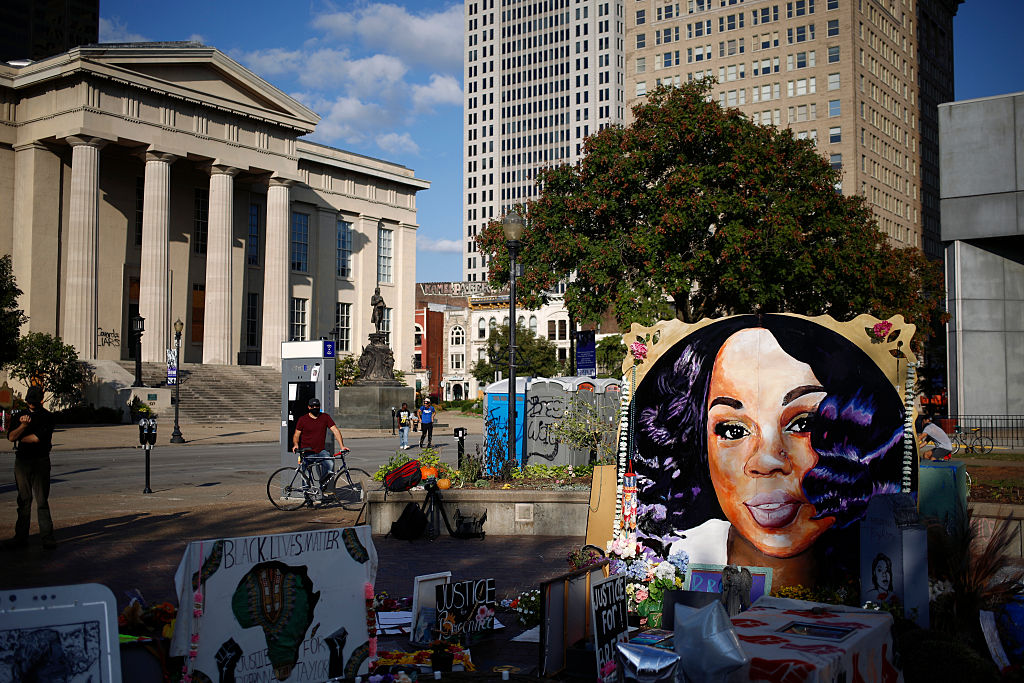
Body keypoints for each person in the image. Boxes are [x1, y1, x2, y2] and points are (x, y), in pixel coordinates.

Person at [632, 315, 906, 587]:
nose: (766, 460)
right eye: (732, 431)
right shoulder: (677, 562)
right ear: (699, 444)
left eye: (804, 423)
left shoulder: (887, 576)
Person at [5, 385, 57, 550]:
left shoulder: (46, 417)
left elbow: (35, 439)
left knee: (41, 500)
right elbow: (11, 437)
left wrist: (20, 438)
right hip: (23, 461)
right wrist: (22, 427)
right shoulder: (20, 416)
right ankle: (21, 537)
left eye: (34, 401)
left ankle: (47, 537)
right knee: (24, 500)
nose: (32, 404)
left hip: (40, 460)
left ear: (40, 400)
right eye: (30, 401)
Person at [292, 398, 348, 483]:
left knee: (330, 464)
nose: (315, 408)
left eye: (317, 406)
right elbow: (296, 434)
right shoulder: (303, 419)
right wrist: (296, 444)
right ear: (308, 407)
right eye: (312, 406)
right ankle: (306, 492)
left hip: (320, 451)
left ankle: (322, 482)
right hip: (307, 451)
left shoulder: (325, 417)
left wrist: (342, 446)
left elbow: (335, 430)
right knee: (306, 475)